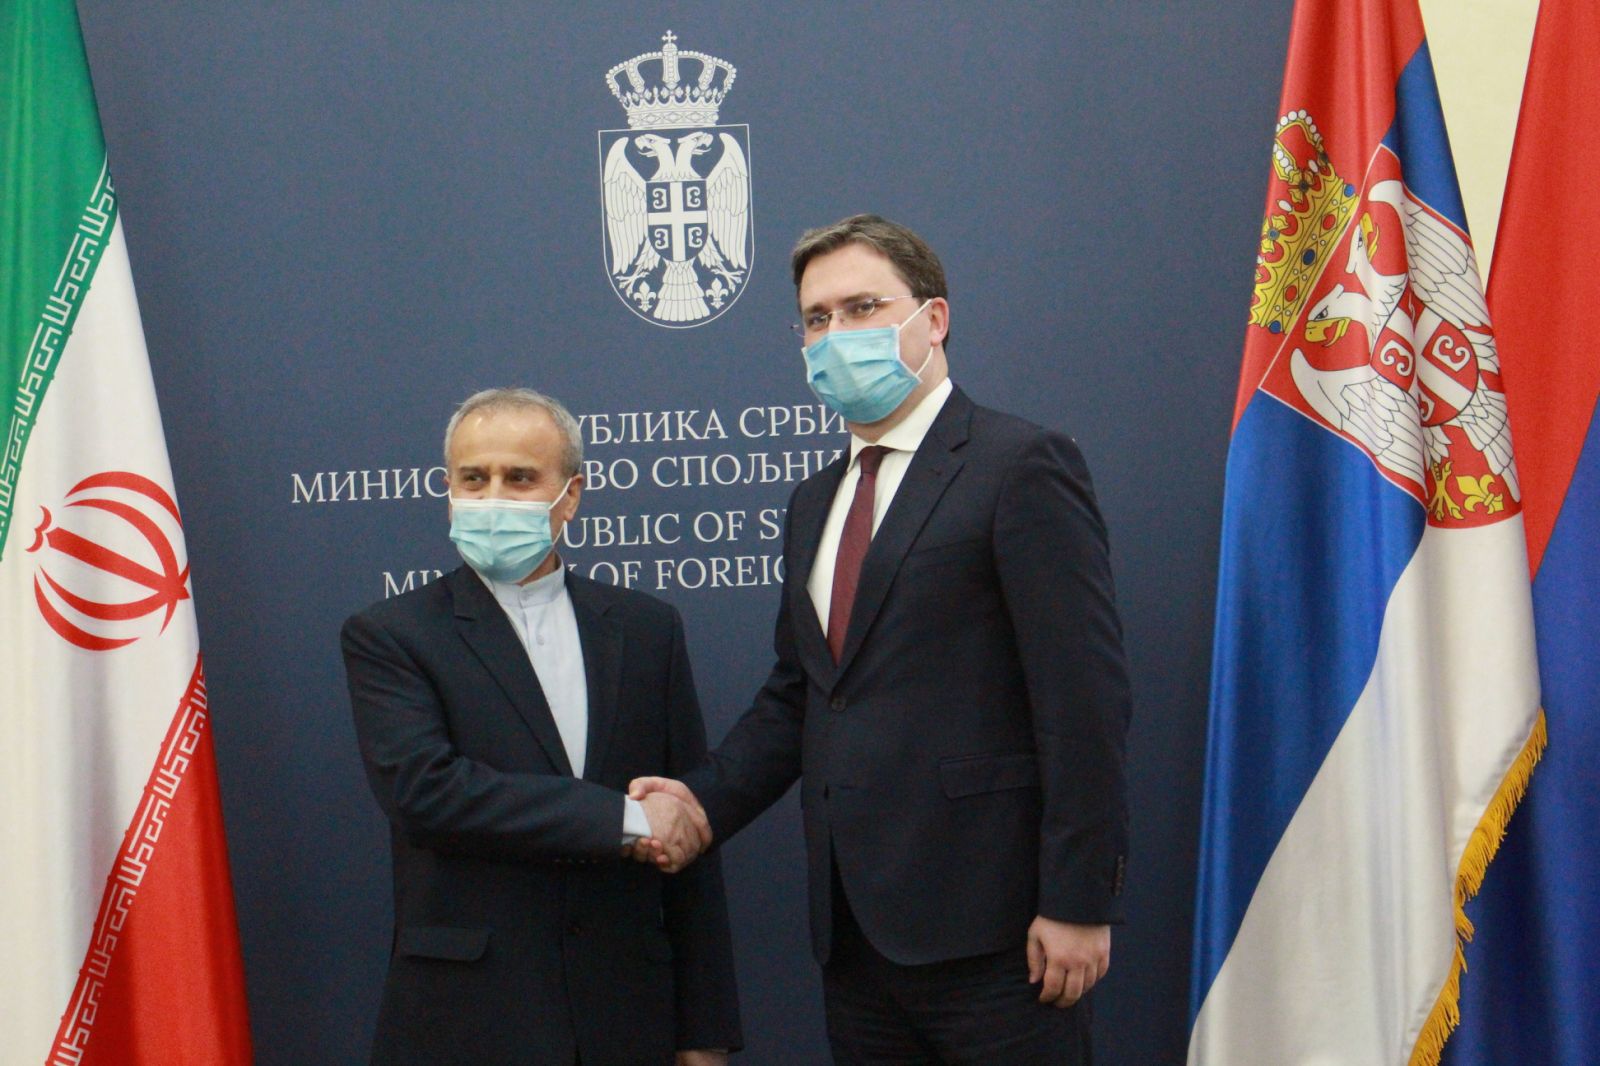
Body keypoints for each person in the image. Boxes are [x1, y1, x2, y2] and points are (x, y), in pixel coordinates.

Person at [631, 215, 1131, 1064]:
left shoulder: (1020, 465)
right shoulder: (813, 502)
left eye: (863, 307)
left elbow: (1084, 700)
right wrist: (701, 804)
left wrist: (1079, 901)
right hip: (857, 943)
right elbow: (802, 694)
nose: (837, 334)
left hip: (1003, 938)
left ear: (933, 320)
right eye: (816, 318)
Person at [342, 387, 739, 1066]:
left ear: (571, 495)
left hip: (626, 1015)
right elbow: (427, 794)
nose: (493, 497)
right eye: (474, 478)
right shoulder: (391, 635)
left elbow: (688, 837)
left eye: (520, 477)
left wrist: (704, 1029)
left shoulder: (647, 629)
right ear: (449, 492)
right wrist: (626, 819)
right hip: (468, 1020)